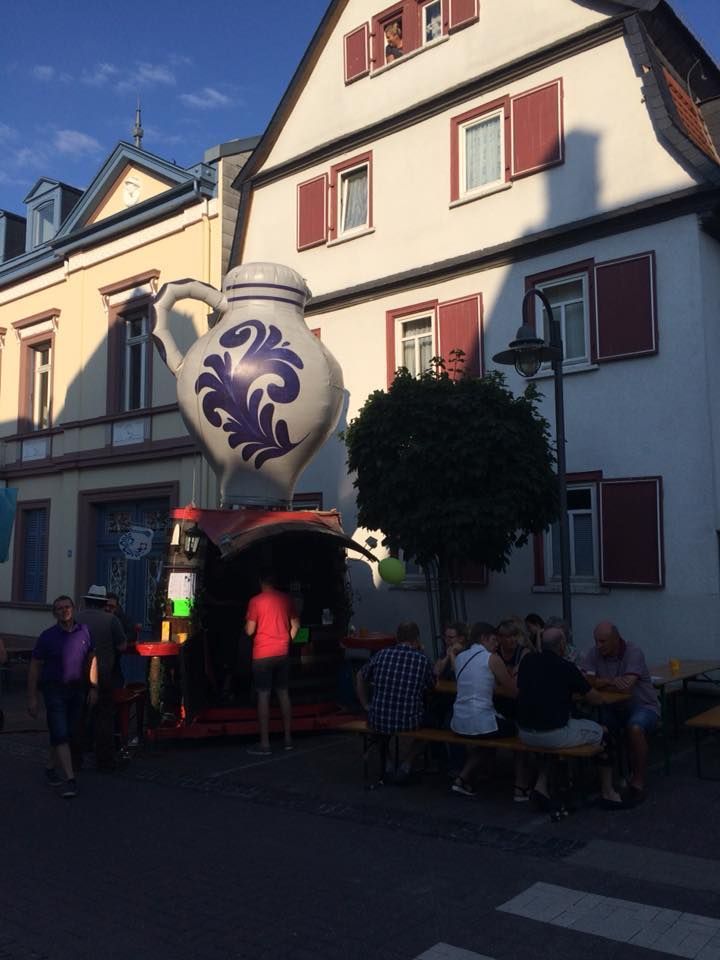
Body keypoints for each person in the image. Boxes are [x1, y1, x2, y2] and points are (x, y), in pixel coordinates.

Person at [517, 627, 625, 809]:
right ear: (562, 645)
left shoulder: (527, 661)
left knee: (551, 739)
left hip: (525, 732)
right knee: (605, 734)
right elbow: (595, 698)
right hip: (554, 733)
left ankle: (541, 787)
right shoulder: (565, 666)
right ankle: (608, 793)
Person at [581, 620, 660, 803]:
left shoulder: (633, 652)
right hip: (612, 707)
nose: (598, 646)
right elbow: (585, 681)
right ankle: (607, 779)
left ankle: (637, 782)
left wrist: (599, 682)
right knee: (597, 725)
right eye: (596, 641)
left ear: (616, 639)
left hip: (643, 705)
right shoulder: (594, 653)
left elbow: (626, 687)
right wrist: (611, 681)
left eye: (603, 641)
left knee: (635, 728)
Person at [27, 595, 98, 798]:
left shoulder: (84, 631)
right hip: (54, 690)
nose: (64, 610)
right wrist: (32, 697)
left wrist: (94, 687)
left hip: (77, 689)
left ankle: (50, 767)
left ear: (74, 609)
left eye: (67, 607)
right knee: (60, 731)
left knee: (68, 732)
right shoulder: (47, 637)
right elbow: (34, 666)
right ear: (54, 613)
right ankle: (70, 779)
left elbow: (92, 659)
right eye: (59, 608)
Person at [449, 621, 528, 799]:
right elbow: (513, 691)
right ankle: (521, 786)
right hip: (480, 721)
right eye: (494, 640)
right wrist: (517, 672)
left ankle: (462, 778)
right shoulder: (491, 658)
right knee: (520, 733)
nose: (497, 644)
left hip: (458, 722)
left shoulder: (460, 657)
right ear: (484, 638)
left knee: (486, 738)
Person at [356, 621, 435, 783]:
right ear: (417, 639)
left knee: (379, 727)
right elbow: (432, 686)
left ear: (397, 638)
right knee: (434, 726)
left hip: (378, 717)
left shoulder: (382, 654)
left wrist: (365, 704)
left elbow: (360, 675)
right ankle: (407, 763)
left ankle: (388, 762)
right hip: (408, 720)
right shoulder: (422, 659)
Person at [245, 573, 300, 755]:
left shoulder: (255, 601)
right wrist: (287, 641)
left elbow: (250, 630)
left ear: (260, 581)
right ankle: (288, 740)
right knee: (283, 693)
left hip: (262, 654)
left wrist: (245, 625)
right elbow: (296, 625)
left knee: (263, 695)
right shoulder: (286, 599)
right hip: (282, 652)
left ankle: (265, 744)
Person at [78, 584, 128, 771]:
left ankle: (76, 756)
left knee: (79, 714)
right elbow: (122, 646)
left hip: (79, 672)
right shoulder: (111, 620)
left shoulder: (77, 618)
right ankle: (105, 760)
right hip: (104, 673)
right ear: (103, 603)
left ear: (88, 601)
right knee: (104, 717)